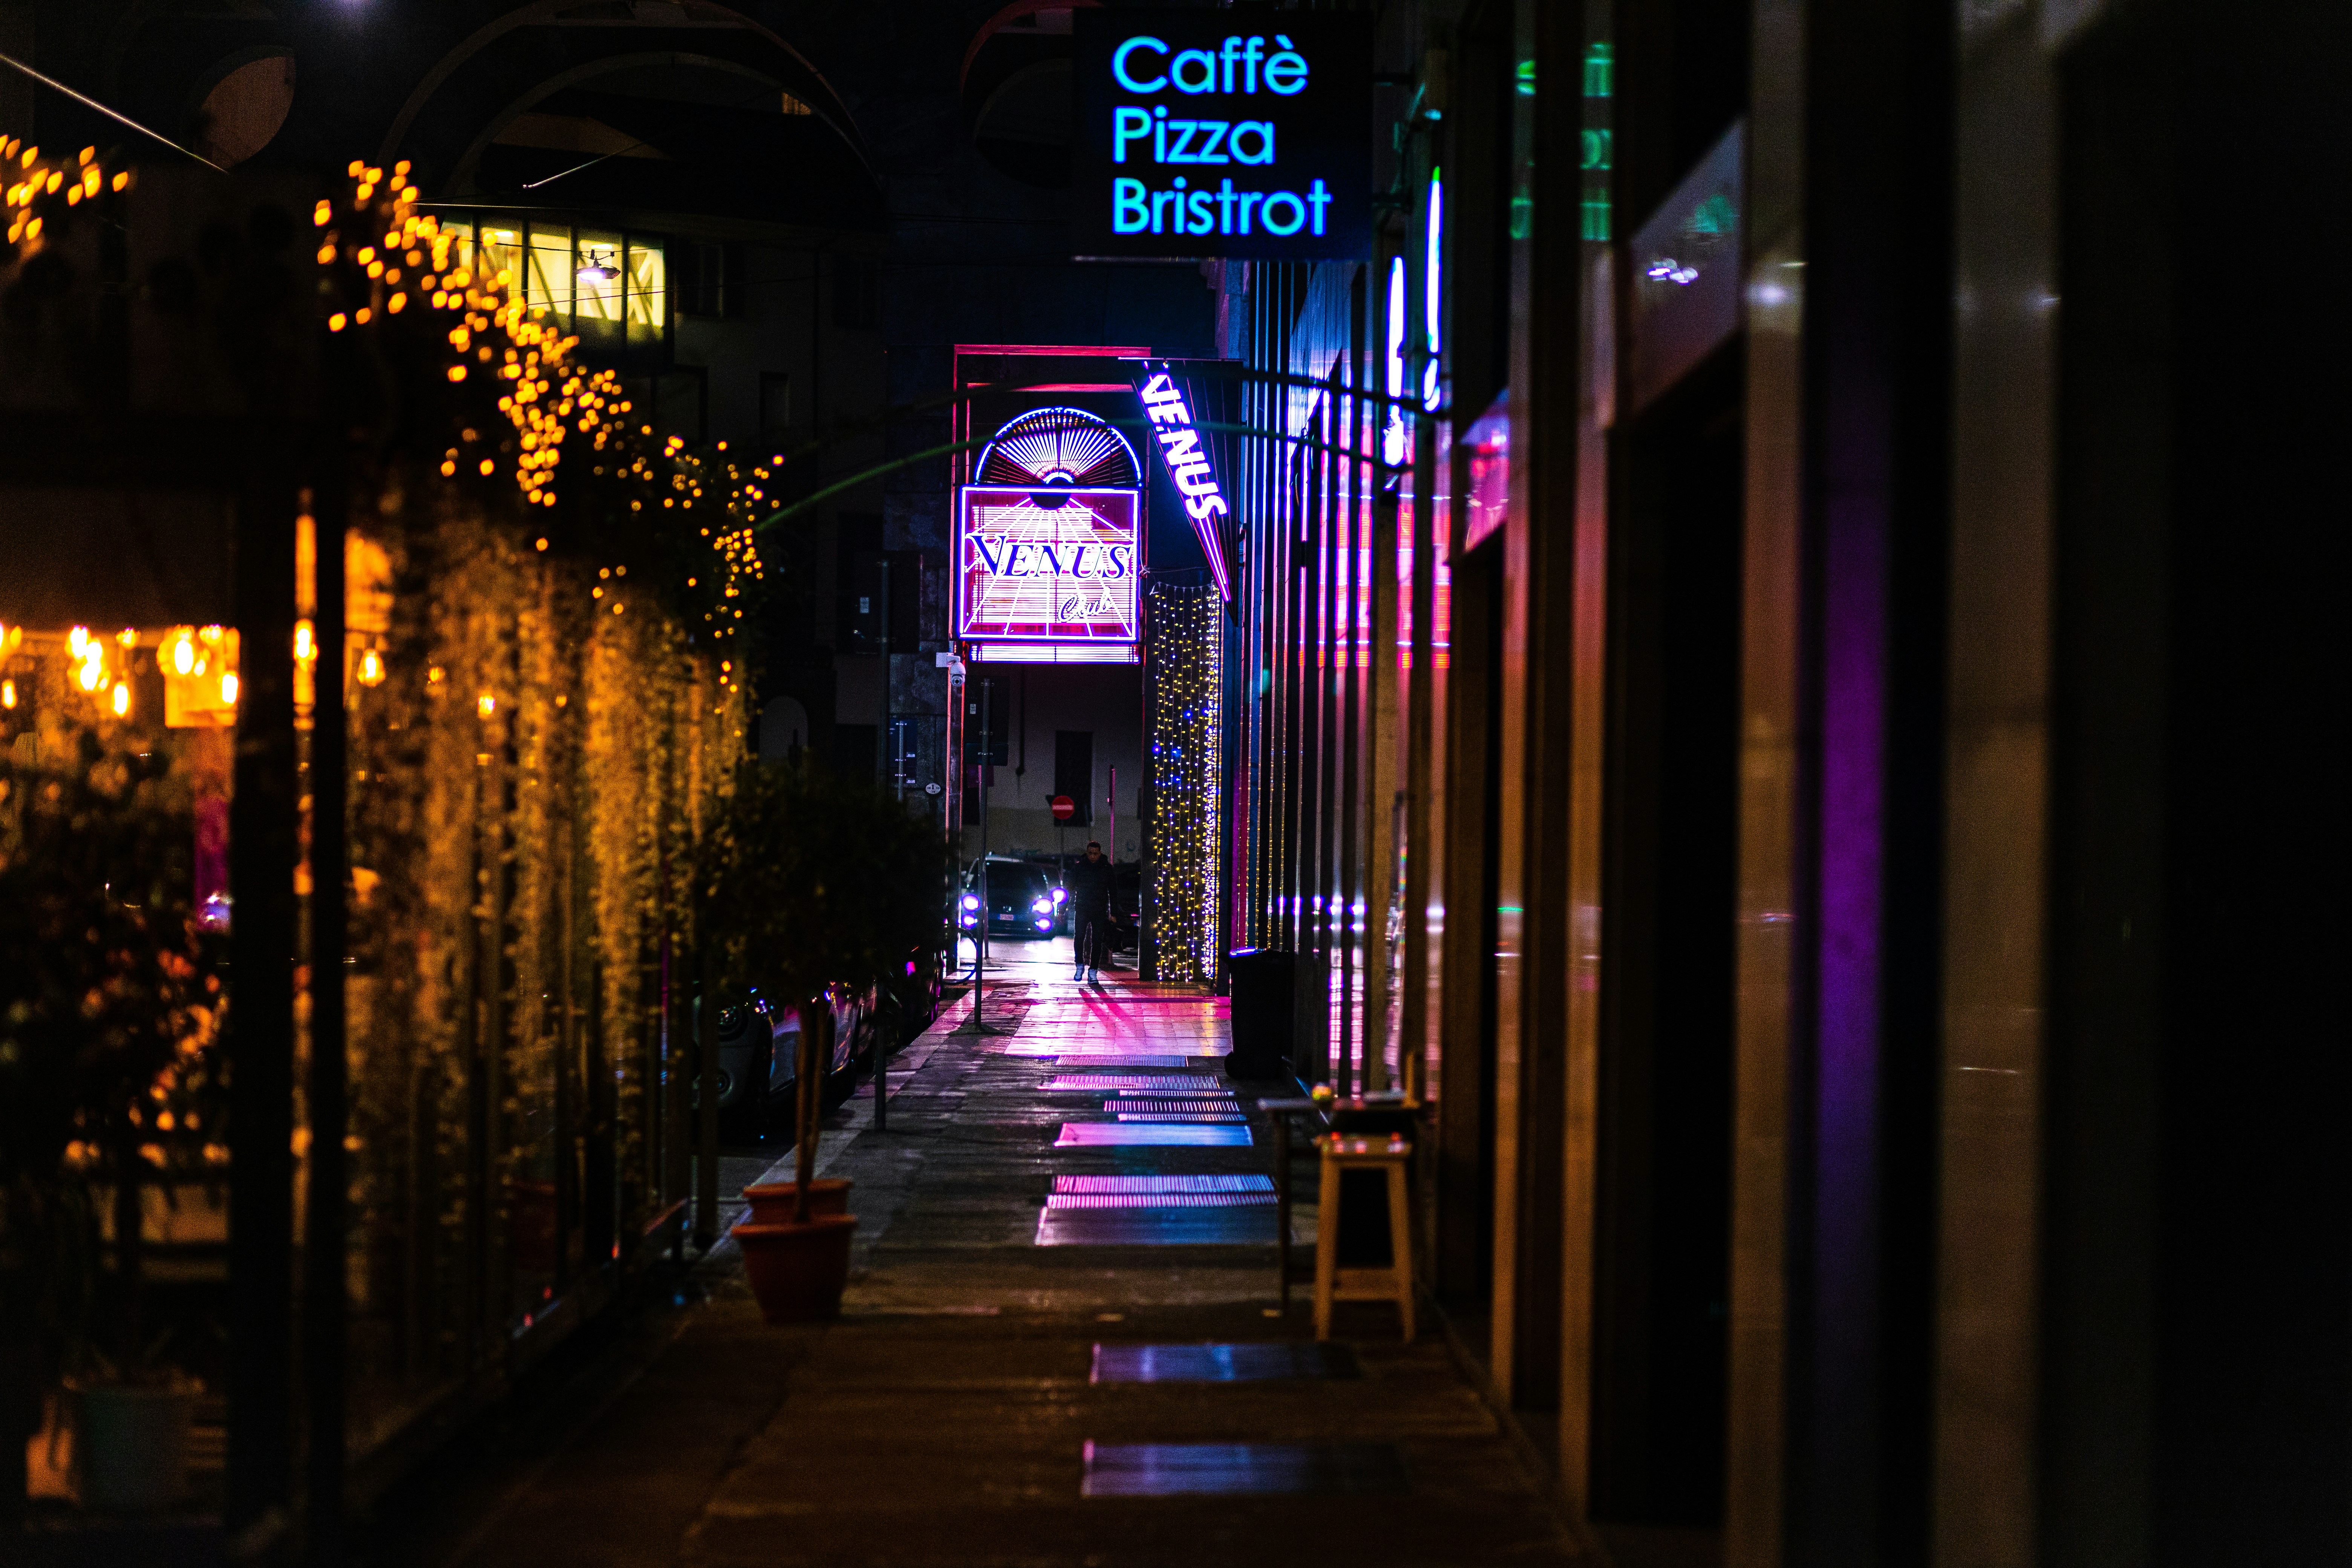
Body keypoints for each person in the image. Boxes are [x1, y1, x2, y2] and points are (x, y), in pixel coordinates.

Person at [1066, 840, 1114, 985]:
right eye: (1091, 853)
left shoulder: (1106, 869)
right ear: (1087, 853)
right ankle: (1080, 965)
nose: (1093, 856)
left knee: (1097, 940)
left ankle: (1093, 971)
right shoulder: (1079, 868)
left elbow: (1113, 891)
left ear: (1100, 853)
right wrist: (1062, 909)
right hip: (1082, 908)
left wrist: (1114, 913)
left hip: (1099, 910)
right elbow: (1069, 889)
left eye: (1095, 854)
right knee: (1079, 937)